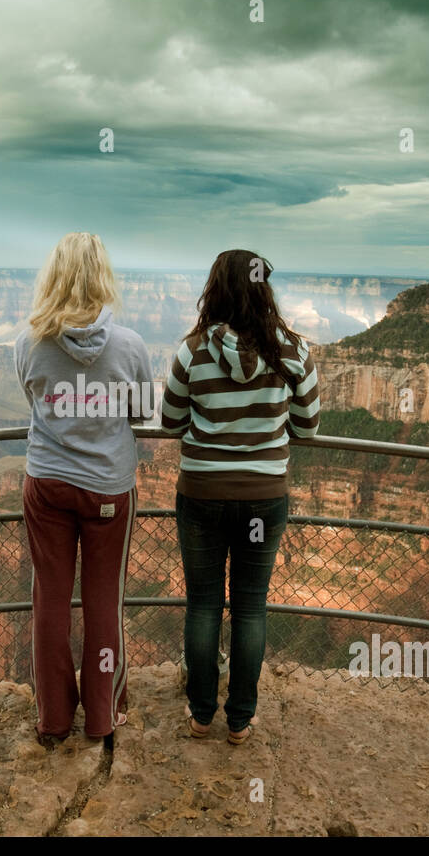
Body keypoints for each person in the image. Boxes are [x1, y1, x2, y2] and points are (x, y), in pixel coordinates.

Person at [159, 249, 319, 744]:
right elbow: (308, 428)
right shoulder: (293, 351)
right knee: (251, 608)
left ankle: (202, 714)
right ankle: (240, 721)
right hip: (263, 499)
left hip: (203, 493)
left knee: (203, 605)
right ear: (263, 289)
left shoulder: (192, 352)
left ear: (217, 290)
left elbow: (170, 422)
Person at [15, 232, 155, 744]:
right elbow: (142, 413)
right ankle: (102, 716)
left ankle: (53, 718)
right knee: (103, 600)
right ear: (103, 277)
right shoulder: (131, 346)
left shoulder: (28, 341)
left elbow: (33, 398)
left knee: (49, 599)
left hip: (47, 484)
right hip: (108, 493)